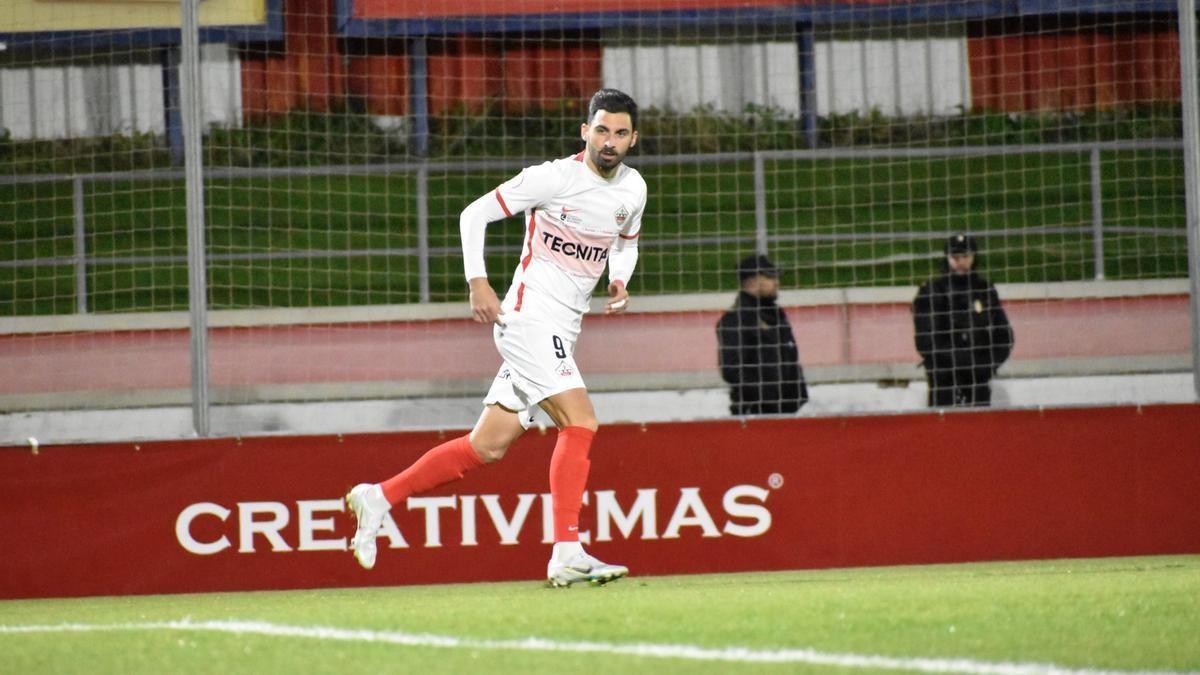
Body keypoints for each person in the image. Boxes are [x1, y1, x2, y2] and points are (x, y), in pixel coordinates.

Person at [343, 89, 644, 588]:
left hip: (561, 331)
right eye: (601, 129)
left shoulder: (633, 189)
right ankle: (567, 551)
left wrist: (619, 278)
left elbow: (627, 241)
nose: (608, 141)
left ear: (634, 139)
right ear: (584, 131)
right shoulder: (552, 178)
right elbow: (473, 214)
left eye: (619, 133)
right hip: (528, 320)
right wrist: (477, 281)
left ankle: (378, 497)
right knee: (582, 421)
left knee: (487, 446)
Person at [912, 234, 1014, 407]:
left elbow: (1004, 335)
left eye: (965, 256)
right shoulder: (932, 291)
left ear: (974, 257)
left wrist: (989, 364)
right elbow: (924, 338)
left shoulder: (985, 290)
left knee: (978, 427)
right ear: (947, 258)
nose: (960, 262)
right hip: (943, 377)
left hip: (978, 375)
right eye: (955, 257)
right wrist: (957, 361)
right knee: (943, 429)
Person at [716, 254, 808, 416]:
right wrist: (768, 398)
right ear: (752, 281)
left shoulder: (777, 315)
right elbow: (731, 369)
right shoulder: (735, 319)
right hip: (754, 414)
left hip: (787, 411)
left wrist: (798, 394)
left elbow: (790, 358)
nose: (777, 282)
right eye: (770, 277)